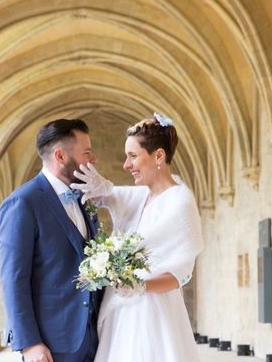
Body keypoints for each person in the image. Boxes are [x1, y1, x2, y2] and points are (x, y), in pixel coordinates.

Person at [71, 113, 203, 362]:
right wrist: (101, 187)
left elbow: (180, 274)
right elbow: (112, 195)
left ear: (159, 156)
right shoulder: (142, 195)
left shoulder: (180, 201)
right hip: (123, 312)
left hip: (154, 311)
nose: (126, 165)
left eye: (133, 156)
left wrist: (140, 287)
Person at [0, 119, 102, 362]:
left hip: (94, 339)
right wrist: (30, 343)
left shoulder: (83, 198)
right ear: (60, 156)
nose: (93, 159)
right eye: (87, 152)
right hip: (50, 345)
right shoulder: (23, 203)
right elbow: (14, 278)